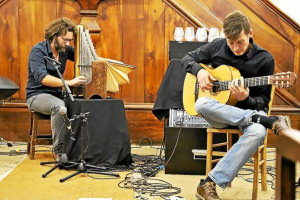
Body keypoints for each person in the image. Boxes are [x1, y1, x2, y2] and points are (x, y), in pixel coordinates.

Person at [181, 10, 291, 200]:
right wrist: (199, 71)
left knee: (258, 132)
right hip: (220, 115)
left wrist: (245, 99)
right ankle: (262, 120)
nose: (235, 48)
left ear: (250, 33)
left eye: (239, 42)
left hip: (246, 116)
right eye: (230, 43)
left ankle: (208, 183)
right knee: (200, 103)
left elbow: (263, 101)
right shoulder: (217, 46)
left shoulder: (265, 59)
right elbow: (186, 58)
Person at [26, 17, 86, 156]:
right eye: (65, 39)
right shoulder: (38, 51)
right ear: (54, 36)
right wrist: (68, 83)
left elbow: (83, 56)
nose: (67, 43)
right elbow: (42, 78)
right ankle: (59, 151)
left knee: (81, 105)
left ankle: (78, 149)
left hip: (57, 95)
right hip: (36, 96)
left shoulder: (64, 50)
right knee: (60, 108)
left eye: (70, 40)